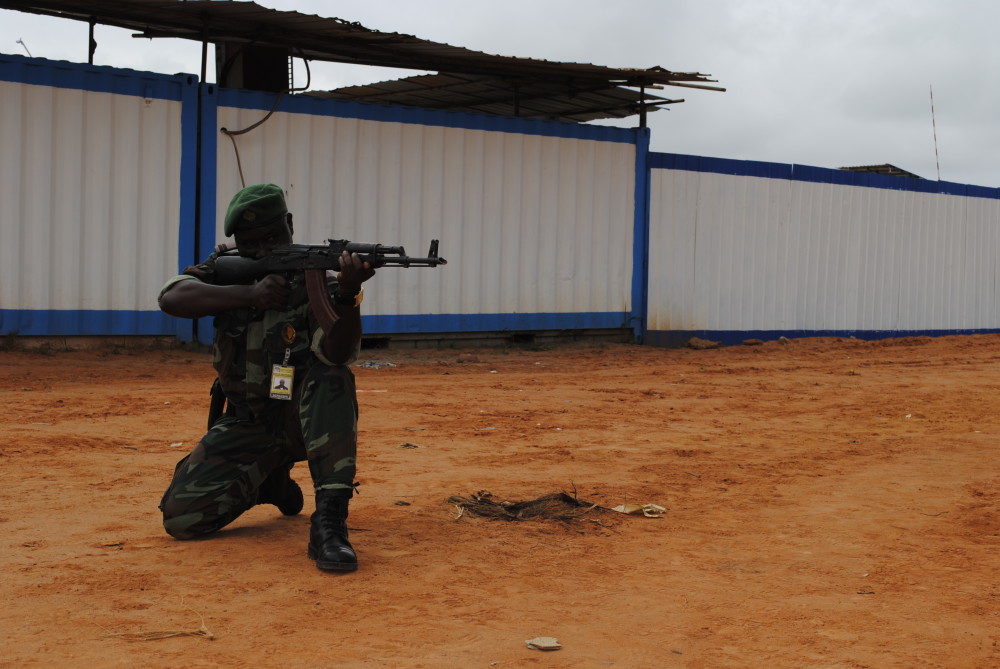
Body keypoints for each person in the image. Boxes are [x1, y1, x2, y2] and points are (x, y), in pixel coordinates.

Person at [157, 183, 375, 572]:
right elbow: (172, 298)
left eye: (273, 237)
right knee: (182, 519)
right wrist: (249, 294)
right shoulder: (226, 270)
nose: (262, 250)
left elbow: (338, 353)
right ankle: (269, 484)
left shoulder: (318, 282)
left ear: (290, 224)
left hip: (307, 424)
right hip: (249, 422)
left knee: (332, 376)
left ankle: (329, 523)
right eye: (251, 242)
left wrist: (348, 293)